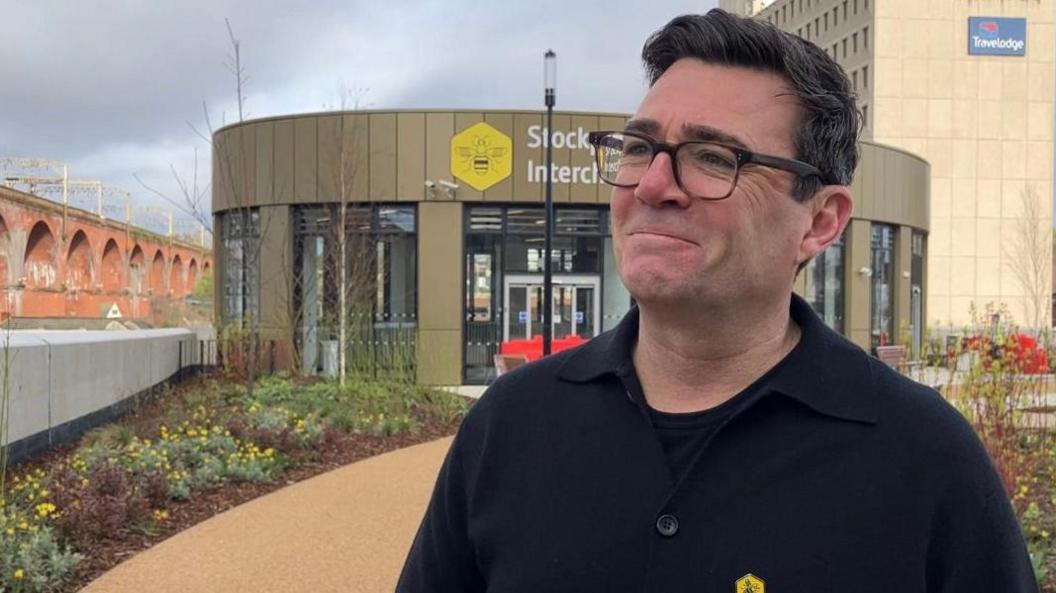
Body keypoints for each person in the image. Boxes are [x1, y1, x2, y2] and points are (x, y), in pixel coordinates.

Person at [397, 9, 1038, 593]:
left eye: (712, 156)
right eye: (639, 148)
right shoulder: (511, 424)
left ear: (819, 221)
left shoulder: (924, 457)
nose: (653, 185)